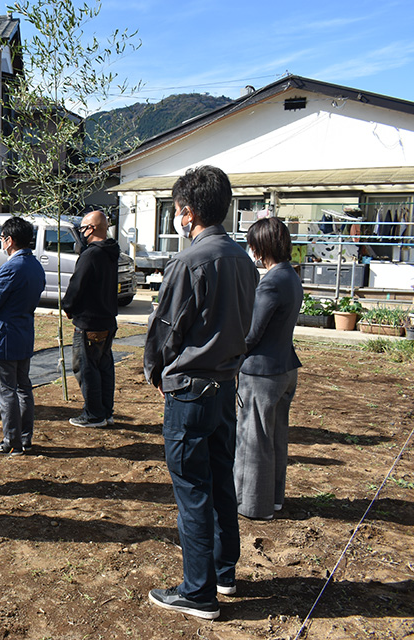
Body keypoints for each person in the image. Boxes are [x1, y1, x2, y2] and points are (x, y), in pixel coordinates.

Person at [143, 165, 259, 620]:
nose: (177, 218)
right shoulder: (243, 261)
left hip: (190, 391)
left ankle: (198, 592)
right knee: (219, 482)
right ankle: (223, 572)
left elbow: (165, 329)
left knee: (192, 490)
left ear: (187, 212)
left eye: (175, 211)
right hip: (226, 385)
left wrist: (155, 370)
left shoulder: (190, 262)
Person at [235, 217, 302, 520]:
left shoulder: (271, 282)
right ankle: (274, 499)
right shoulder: (291, 276)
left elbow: (251, 334)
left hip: (262, 373)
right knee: (275, 439)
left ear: (261, 247)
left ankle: (253, 506)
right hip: (285, 368)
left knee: (254, 441)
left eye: (252, 245)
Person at [0, 216, 46, 456]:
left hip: (5, 334)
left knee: (7, 390)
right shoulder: (35, 265)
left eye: (1, 238)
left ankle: (11, 441)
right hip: (24, 331)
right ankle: (24, 438)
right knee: (23, 388)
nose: (1, 242)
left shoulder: (11, 266)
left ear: (9, 240)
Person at [61, 208, 119, 428]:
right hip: (107, 320)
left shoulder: (91, 254)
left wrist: (67, 306)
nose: (81, 231)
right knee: (104, 367)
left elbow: (77, 285)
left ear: (92, 229)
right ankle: (106, 411)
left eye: (83, 227)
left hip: (89, 322)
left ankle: (94, 414)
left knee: (86, 368)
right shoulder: (111, 252)